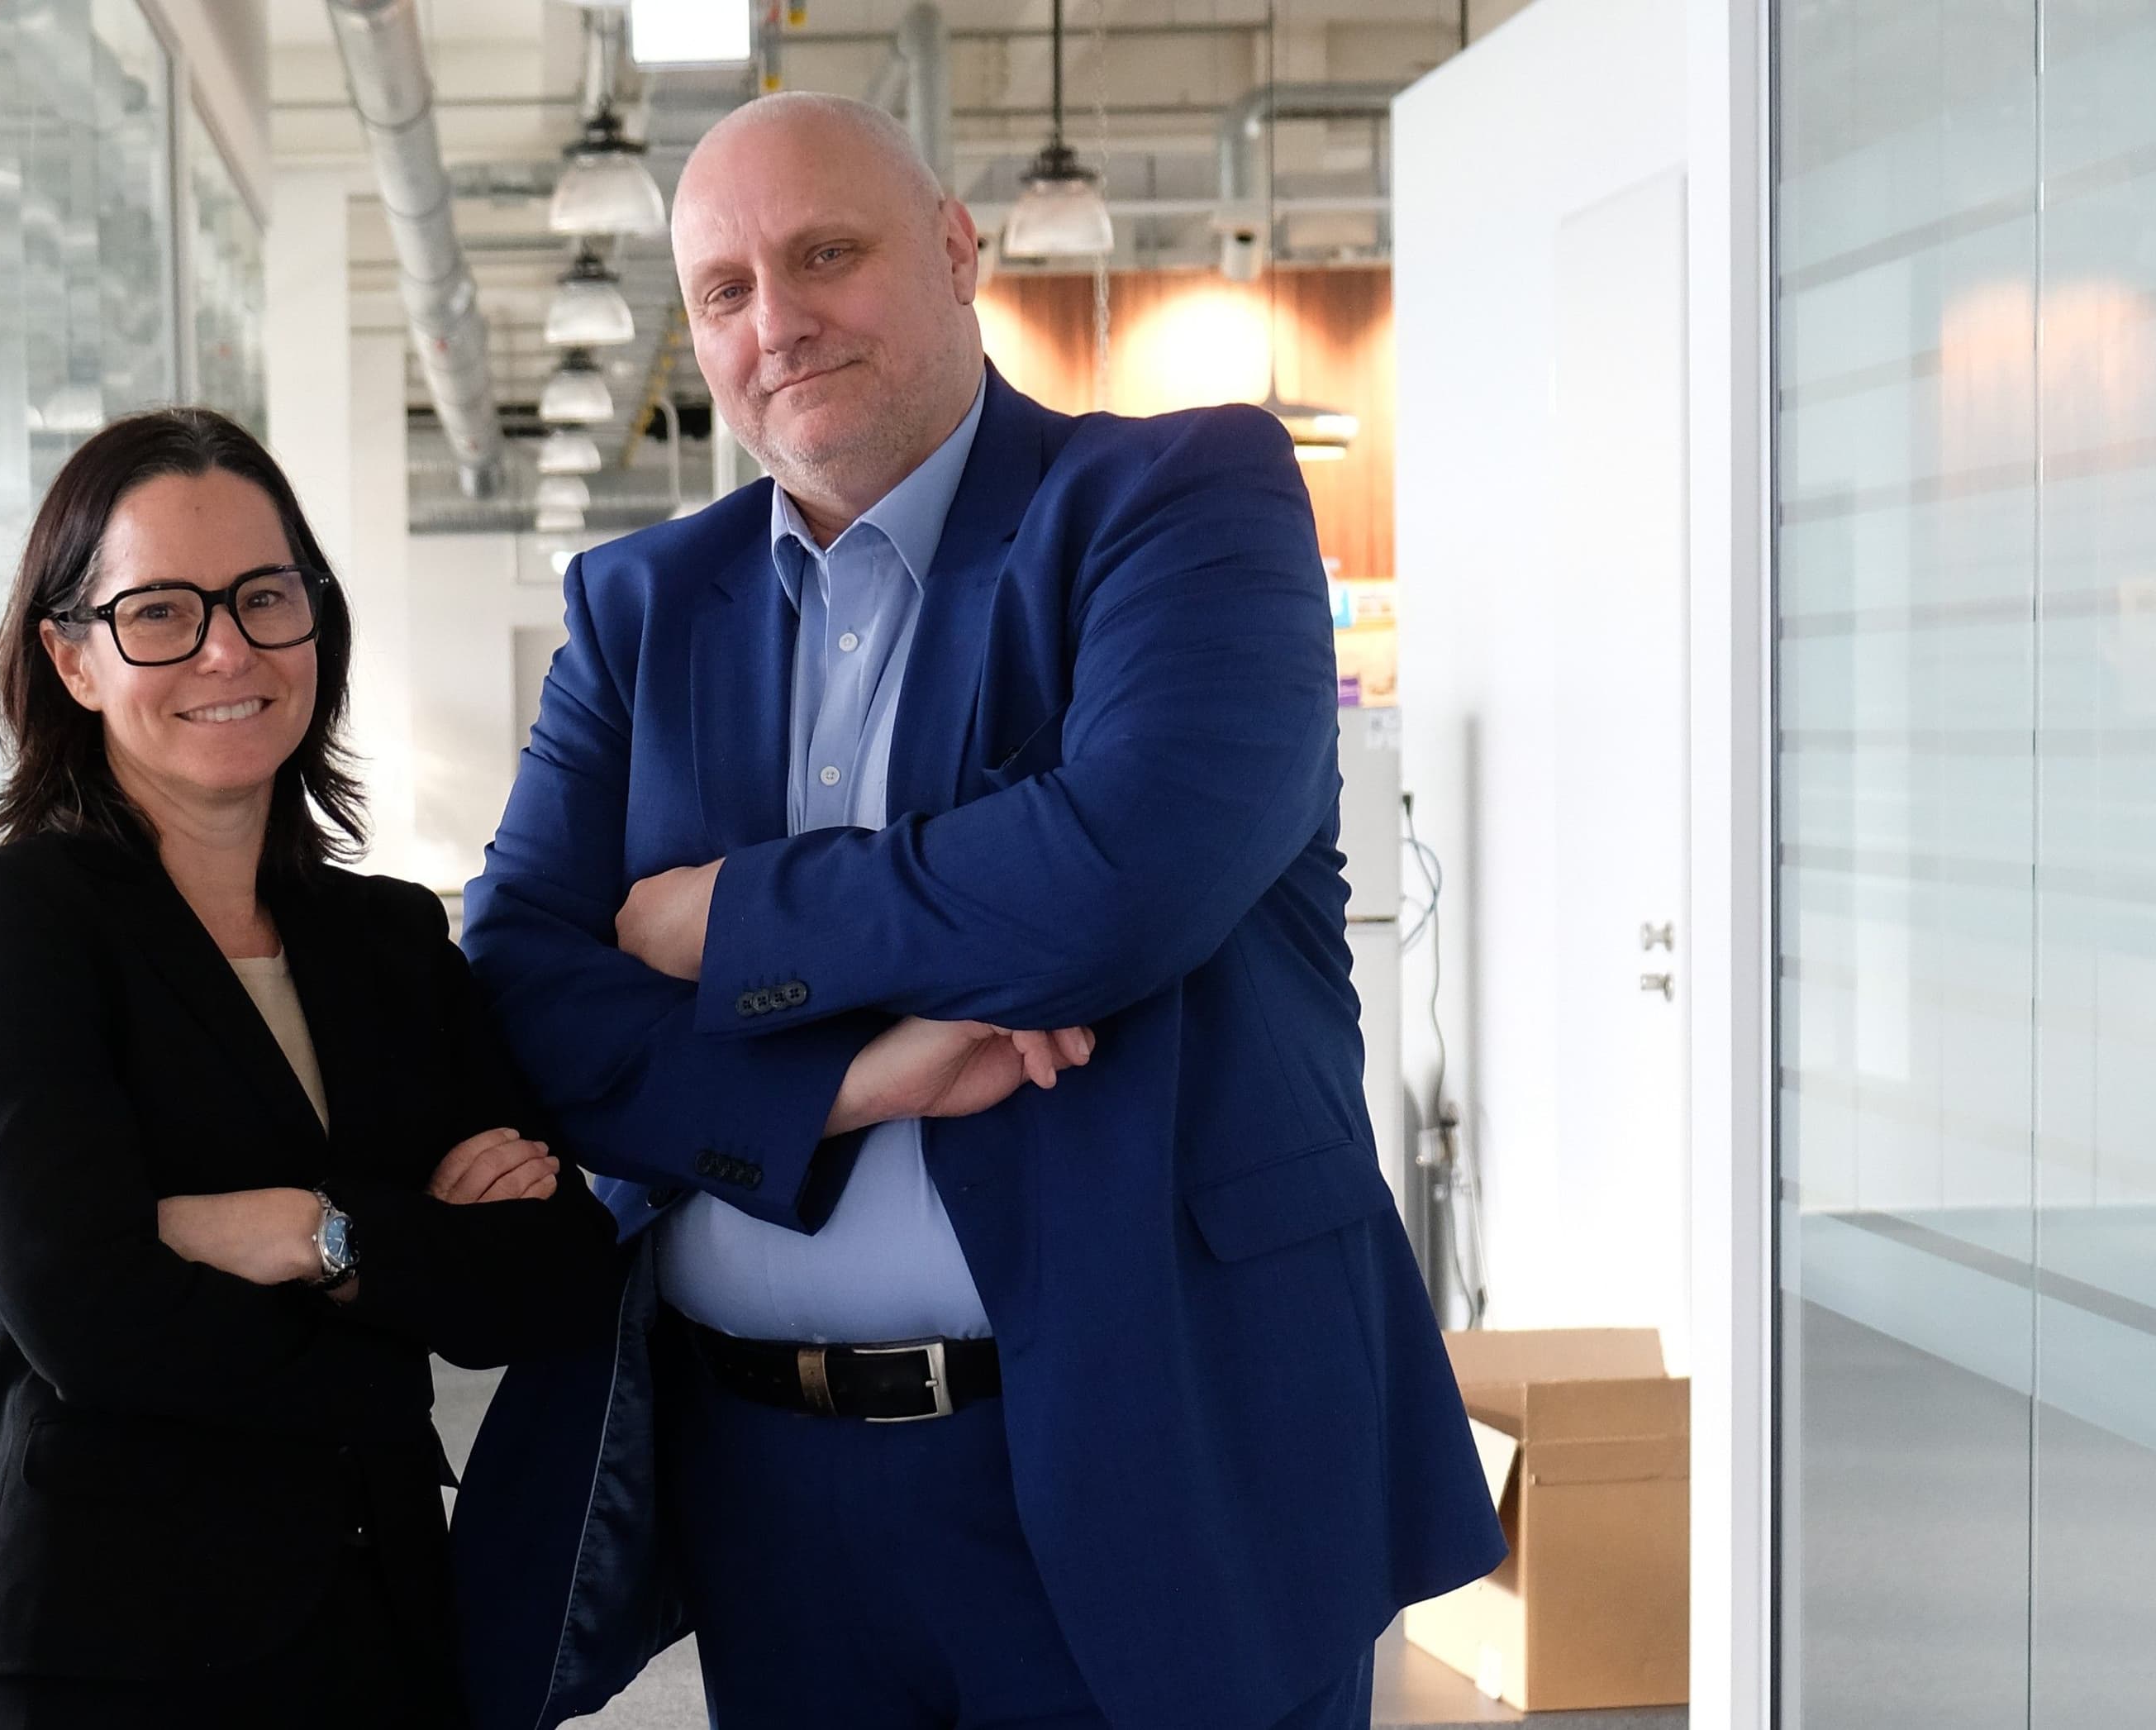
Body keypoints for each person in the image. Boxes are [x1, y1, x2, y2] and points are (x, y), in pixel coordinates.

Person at [450, 95, 1504, 1730]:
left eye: (826, 255)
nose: (777, 320)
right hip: (769, 1490)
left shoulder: (1179, 500)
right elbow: (519, 984)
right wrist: (848, 1085)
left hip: (1163, 1448)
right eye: (725, 289)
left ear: (955, 252)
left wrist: (727, 915)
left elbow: (1119, 878)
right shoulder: (641, 608)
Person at [0, 407, 620, 1730]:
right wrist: (411, 1266)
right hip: (120, 1647)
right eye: (161, 613)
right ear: (72, 657)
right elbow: (92, 1321)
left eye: (264, 596)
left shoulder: (391, 939)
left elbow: (561, 1274)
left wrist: (314, 1232)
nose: (227, 647)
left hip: (394, 1630)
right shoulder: (15, 926)